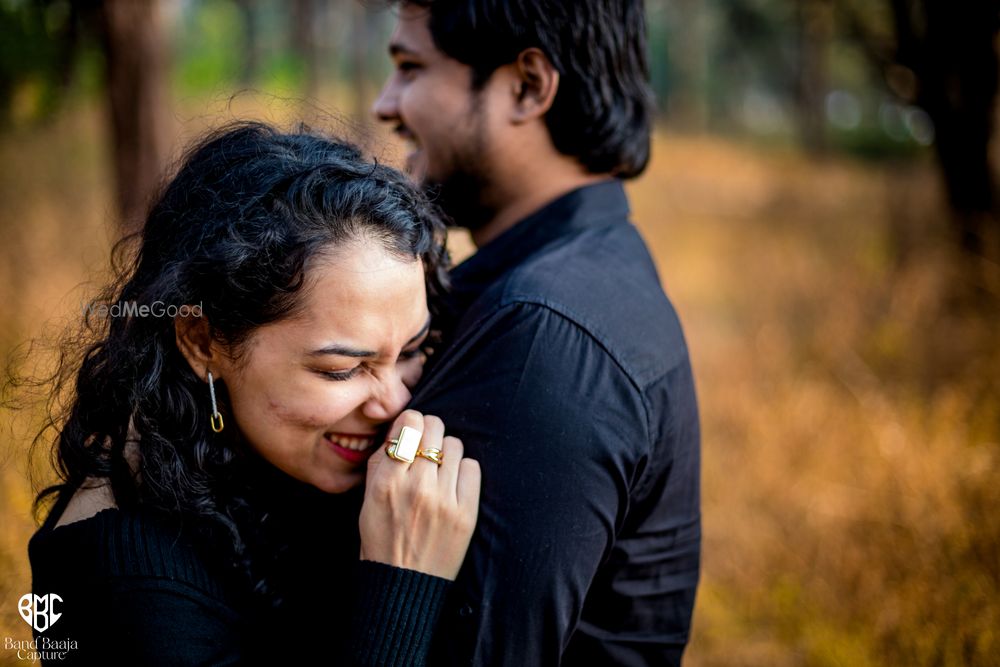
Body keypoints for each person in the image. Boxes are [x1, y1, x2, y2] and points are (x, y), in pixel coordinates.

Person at [26, 122, 480, 666]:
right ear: (202, 340)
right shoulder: (132, 588)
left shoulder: (263, 463)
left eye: (411, 350)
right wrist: (403, 582)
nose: (394, 403)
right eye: (341, 369)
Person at [372, 1, 701, 665]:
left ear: (528, 86)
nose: (385, 104)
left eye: (410, 68)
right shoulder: (581, 273)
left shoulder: (544, 336)